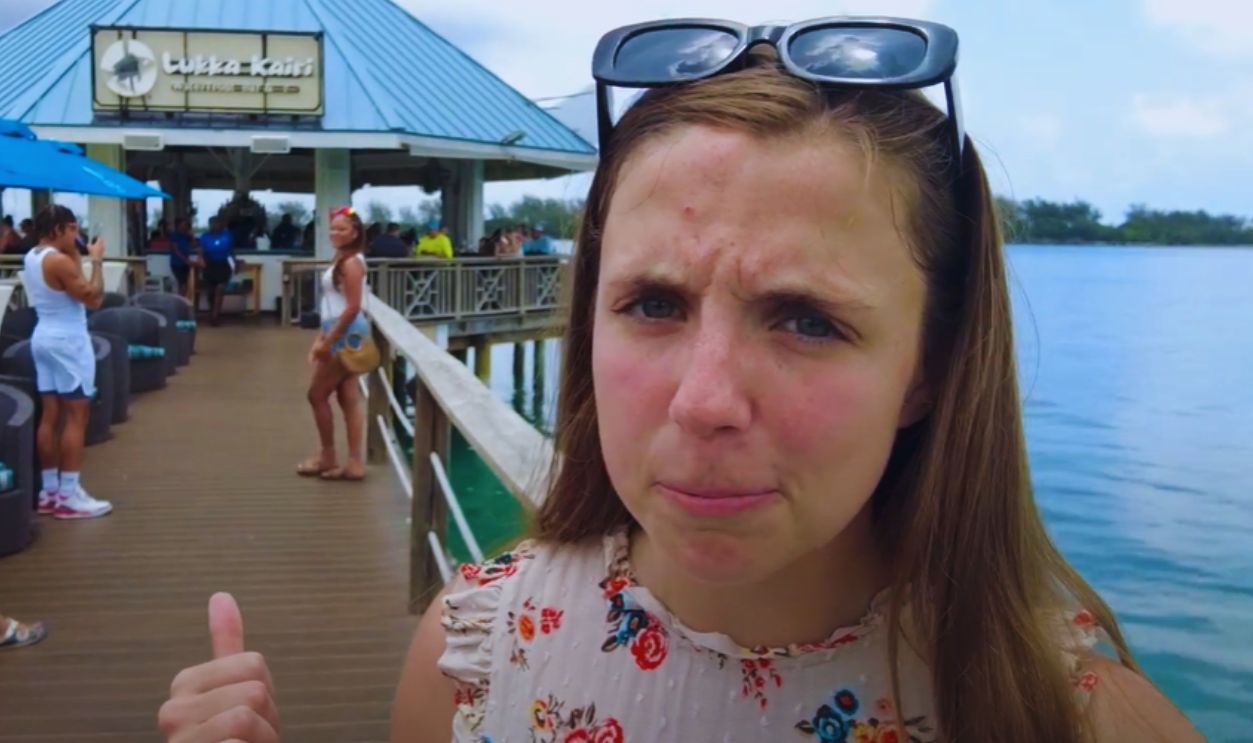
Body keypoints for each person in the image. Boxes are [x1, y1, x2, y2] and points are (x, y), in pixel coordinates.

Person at [158, 18, 1204, 743]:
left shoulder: (1065, 714)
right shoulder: (476, 654)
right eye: (653, 303)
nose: (704, 399)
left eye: (804, 318)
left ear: (930, 367)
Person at [27, 205, 112, 519]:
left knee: (50, 415)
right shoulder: (60, 261)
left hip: (43, 337)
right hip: (69, 343)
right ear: (57, 230)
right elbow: (94, 298)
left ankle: (49, 492)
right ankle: (69, 495)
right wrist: (97, 261)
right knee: (77, 416)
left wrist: (78, 253)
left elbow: (67, 285)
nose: (78, 235)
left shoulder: (33, 257)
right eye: (73, 229)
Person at [295, 205, 370, 482]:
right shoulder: (344, 258)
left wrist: (327, 343)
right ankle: (354, 462)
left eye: (342, 229)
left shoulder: (351, 263)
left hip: (345, 336)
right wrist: (320, 336)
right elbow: (333, 304)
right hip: (343, 332)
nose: (335, 233)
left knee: (316, 395)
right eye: (333, 228)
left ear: (355, 233)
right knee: (348, 397)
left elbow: (351, 307)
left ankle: (328, 455)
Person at [199, 217, 234, 326]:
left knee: (220, 289)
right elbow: (201, 251)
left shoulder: (227, 235)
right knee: (211, 291)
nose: (215, 226)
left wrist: (235, 262)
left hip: (223, 264)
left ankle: (215, 315)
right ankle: (212, 311)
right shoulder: (204, 237)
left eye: (218, 223)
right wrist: (201, 260)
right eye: (213, 224)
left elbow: (231, 250)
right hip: (209, 265)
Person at [169, 217, 203, 297]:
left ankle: (181, 300)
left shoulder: (185, 236)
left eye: (186, 225)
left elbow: (195, 245)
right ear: (178, 226)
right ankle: (180, 301)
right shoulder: (175, 236)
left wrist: (192, 236)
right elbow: (176, 250)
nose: (185, 227)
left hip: (185, 264)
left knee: (185, 284)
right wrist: (186, 260)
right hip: (177, 263)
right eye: (183, 225)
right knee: (182, 283)